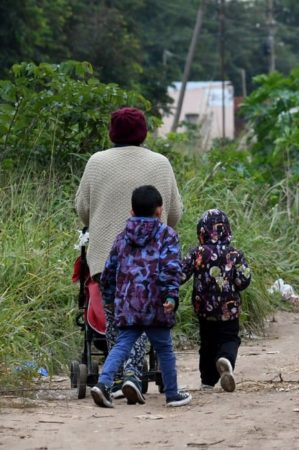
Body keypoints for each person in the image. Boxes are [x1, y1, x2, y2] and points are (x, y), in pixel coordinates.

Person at [75, 107, 182, 402]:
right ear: (144, 131)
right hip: (153, 266)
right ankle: (133, 376)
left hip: (106, 259)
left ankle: (123, 376)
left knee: (118, 319)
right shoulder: (161, 163)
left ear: (112, 131)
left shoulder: (96, 162)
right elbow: (174, 214)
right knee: (146, 316)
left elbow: (82, 209)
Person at [91, 185, 191, 408]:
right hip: (156, 304)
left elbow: (109, 271)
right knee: (164, 349)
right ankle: (173, 394)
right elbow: (171, 269)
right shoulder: (167, 235)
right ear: (160, 210)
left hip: (128, 303)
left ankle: (103, 383)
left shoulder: (122, 237)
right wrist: (171, 297)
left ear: (132, 212)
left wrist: (108, 298)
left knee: (121, 345)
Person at [181, 209, 251, 392]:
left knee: (207, 344)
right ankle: (226, 359)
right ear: (227, 230)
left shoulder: (197, 253)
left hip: (204, 309)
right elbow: (243, 280)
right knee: (229, 338)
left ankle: (207, 380)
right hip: (230, 309)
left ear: (201, 231)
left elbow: (180, 274)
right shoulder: (234, 254)